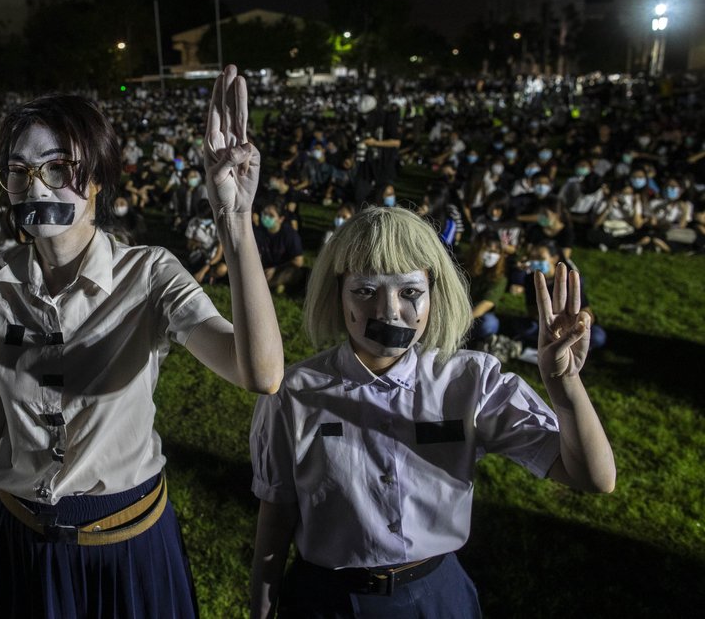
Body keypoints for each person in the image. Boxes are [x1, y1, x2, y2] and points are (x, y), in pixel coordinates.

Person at [0, 66, 283, 617]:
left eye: (59, 169)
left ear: (99, 179)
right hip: (24, 540)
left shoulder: (149, 274)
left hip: (125, 542)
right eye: (19, 171)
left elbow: (261, 374)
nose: (36, 187)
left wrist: (235, 220)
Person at [249, 206, 614, 618]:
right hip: (328, 600)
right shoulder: (293, 392)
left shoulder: (470, 381)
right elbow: (276, 513)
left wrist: (565, 386)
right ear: (338, 293)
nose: (389, 312)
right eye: (366, 291)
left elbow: (592, 477)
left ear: (433, 294)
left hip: (438, 594)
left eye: (409, 292)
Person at [254, 200, 305, 293]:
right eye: (264, 213)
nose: (266, 217)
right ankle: (273, 285)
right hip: (264, 267)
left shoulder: (290, 234)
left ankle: (269, 285)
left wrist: (276, 269)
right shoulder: (258, 231)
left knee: (293, 273)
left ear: (280, 219)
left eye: (271, 215)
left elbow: (298, 261)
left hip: (282, 268)